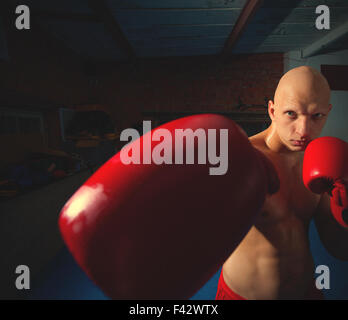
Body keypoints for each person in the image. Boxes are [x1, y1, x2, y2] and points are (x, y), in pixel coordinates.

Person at [216, 65, 348, 300]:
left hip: (305, 293)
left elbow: (338, 248)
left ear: (328, 111)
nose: (304, 130)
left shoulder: (322, 162)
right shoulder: (241, 158)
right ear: (272, 110)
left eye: (316, 116)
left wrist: (345, 212)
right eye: (291, 114)